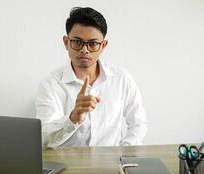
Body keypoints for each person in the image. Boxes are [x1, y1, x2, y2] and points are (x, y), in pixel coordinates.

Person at [36, 7, 147, 149]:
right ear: (66, 42)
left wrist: (123, 153)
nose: (84, 50)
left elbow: (139, 124)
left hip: (112, 163)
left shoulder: (121, 78)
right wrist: (73, 118)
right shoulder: (50, 84)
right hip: (66, 164)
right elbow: (44, 140)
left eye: (93, 43)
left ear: (103, 45)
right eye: (77, 42)